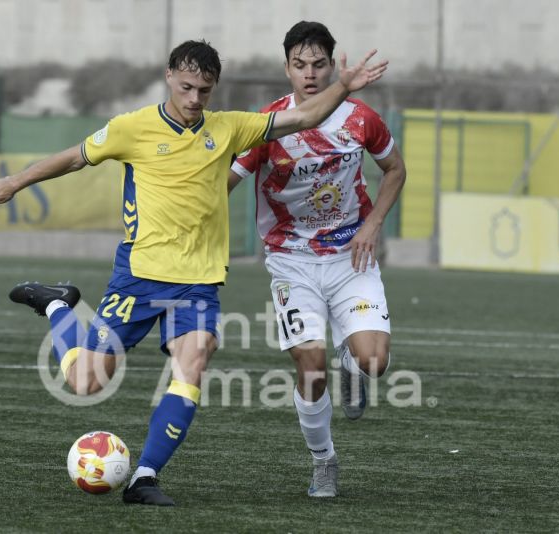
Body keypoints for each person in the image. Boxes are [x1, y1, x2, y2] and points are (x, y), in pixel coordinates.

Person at [0, 39, 388, 506]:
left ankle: (144, 476)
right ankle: (57, 306)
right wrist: (14, 182)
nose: (194, 99)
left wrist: (344, 86)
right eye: (186, 87)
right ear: (169, 75)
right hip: (138, 277)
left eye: (204, 91)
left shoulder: (228, 128)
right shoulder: (132, 128)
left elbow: (304, 117)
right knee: (86, 382)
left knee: (192, 365)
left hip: (198, 282)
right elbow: (73, 157)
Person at [228, 21, 406, 498]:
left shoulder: (361, 119)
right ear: (286, 68)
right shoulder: (268, 124)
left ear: (332, 65)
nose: (309, 74)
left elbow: (395, 169)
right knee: (310, 364)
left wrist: (372, 225)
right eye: (300, 65)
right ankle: (324, 460)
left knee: (374, 361)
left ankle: (353, 365)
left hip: (350, 256)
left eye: (319, 64)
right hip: (292, 260)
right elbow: (225, 182)